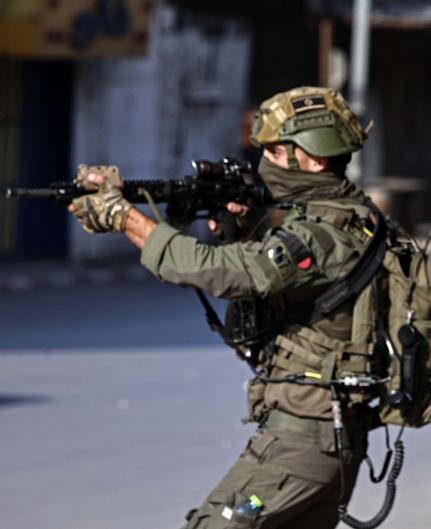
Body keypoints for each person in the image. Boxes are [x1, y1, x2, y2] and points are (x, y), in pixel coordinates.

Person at [68, 87, 383, 529]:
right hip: (327, 437)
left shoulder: (323, 234)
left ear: (314, 159)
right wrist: (243, 229)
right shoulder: (351, 218)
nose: (264, 163)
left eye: (275, 151)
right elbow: (258, 319)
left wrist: (124, 216)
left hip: (302, 443)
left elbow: (222, 270)